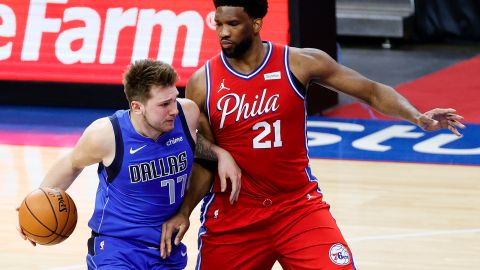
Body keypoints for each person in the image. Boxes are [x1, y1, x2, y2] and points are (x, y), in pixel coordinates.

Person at [161, 1, 466, 269]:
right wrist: (185, 211)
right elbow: (204, 157)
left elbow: (371, 91)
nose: (223, 32)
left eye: (232, 23)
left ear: (255, 24)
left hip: (296, 207)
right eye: (218, 23)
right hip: (235, 214)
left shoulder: (299, 62)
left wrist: (417, 117)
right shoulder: (203, 81)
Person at [16, 59, 240, 270]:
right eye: (164, 104)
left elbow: (192, 142)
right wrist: (32, 206)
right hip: (117, 248)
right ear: (137, 107)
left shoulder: (187, 113)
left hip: (167, 248)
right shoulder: (107, 135)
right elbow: (71, 164)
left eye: (174, 98)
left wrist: (218, 153)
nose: (173, 108)